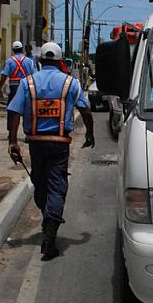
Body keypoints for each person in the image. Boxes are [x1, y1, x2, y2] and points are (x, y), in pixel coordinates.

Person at [7, 42, 95, 260]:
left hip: (35, 143)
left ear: (40, 61)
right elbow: (85, 110)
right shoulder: (70, 83)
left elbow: (14, 112)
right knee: (57, 187)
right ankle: (50, 231)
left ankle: (49, 220)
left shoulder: (28, 83)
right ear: (60, 62)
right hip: (59, 143)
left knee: (40, 183)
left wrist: (12, 141)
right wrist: (90, 134)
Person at [0, 41, 35, 133]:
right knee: (27, 109)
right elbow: (34, 76)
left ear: (13, 50)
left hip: (14, 87)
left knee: (12, 109)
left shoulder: (10, 61)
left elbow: (4, 75)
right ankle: (28, 131)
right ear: (22, 49)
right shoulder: (29, 61)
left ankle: (11, 131)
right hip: (26, 87)